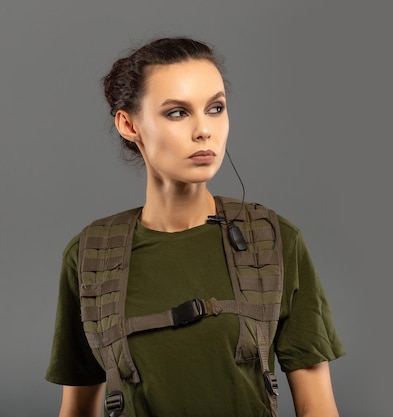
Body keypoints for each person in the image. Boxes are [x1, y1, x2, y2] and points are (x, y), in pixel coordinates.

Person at [45, 36, 345, 417]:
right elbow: (76, 409)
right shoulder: (91, 256)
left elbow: (317, 407)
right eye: (177, 113)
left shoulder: (273, 241)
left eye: (215, 108)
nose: (204, 130)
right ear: (128, 124)